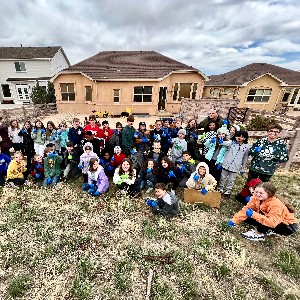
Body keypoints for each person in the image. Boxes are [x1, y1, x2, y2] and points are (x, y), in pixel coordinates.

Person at [229, 182, 298, 241]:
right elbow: (245, 210)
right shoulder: (255, 197)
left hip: (287, 227)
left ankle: (259, 234)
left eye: (261, 193)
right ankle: (268, 230)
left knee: (264, 218)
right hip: (273, 219)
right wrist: (234, 220)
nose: (258, 194)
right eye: (256, 192)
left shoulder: (276, 204)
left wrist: (254, 214)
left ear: (269, 193)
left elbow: (272, 222)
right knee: (247, 218)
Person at [218, 130, 250, 197]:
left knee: (231, 180)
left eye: (242, 137)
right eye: (238, 136)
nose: (239, 138)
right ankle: (220, 189)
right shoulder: (231, 143)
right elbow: (224, 143)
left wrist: (243, 168)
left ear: (245, 138)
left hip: (235, 167)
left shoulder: (246, 147)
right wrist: (221, 141)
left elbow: (245, 158)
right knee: (223, 178)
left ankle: (228, 191)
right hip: (226, 164)